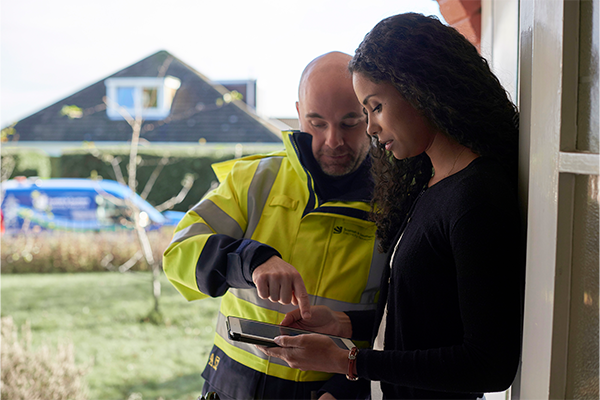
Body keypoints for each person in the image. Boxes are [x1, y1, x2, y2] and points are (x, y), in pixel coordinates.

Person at [259, 13, 525, 400]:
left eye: (376, 106)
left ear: (422, 90)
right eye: (365, 113)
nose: (370, 127)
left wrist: (347, 362)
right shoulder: (431, 182)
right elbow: (422, 321)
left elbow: (488, 364)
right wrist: (343, 324)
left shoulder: (477, 197)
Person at [163, 51, 385, 399]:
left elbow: (401, 322)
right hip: (230, 386)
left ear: (370, 116)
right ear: (298, 114)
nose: (333, 141)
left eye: (349, 123)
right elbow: (178, 254)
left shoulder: (396, 204)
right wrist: (250, 260)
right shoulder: (254, 179)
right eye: (317, 122)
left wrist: (347, 389)